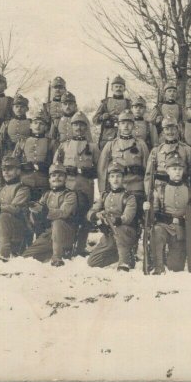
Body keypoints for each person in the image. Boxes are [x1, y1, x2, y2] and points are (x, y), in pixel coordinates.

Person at [55, 111, 100, 256]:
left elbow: (100, 169)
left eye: (82, 125)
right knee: (68, 216)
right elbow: (55, 166)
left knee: (85, 218)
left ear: (86, 127)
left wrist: (89, 173)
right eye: (76, 125)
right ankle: (67, 246)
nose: (79, 128)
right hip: (68, 187)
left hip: (85, 187)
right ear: (71, 127)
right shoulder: (64, 146)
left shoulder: (92, 147)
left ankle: (80, 247)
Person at [98, 109, 149, 232]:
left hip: (136, 187)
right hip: (117, 187)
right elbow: (102, 170)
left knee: (134, 219)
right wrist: (103, 191)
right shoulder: (111, 145)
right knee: (115, 218)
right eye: (123, 123)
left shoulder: (141, 144)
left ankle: (133, 244)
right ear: (118, 125)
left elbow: (147, 170)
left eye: (129, 123)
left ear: (133, 125)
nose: (126, 126)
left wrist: (147, 192)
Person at [146, 154, 191, 273]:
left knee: (176, 267)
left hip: (181, 230)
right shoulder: (160, 190)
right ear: (167, 171)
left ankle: (170, 259)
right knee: (156, 231)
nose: (177, 172)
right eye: (174, 169)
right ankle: (158, 266)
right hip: (165, 227)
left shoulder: (190, 191)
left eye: (180, 169)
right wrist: (148, 208)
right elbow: (154, 215)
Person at [22, 163, 78, 267]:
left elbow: (63, 213)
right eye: (53, 175)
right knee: (27, 256)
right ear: (49, 179)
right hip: (49, 234)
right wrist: (34, 210)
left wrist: (43, 210)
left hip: (65, 234)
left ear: (66, 179)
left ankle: (57, 257)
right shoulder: (47, 195)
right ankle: (51, 252)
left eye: (60, 175)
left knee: (58, 222)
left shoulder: (70, 195)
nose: (57, 178)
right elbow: (39, 211)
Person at [87, 162, 139, 272]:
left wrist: (114, 220)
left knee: (119, 229)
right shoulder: (105, 195)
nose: (115, 180)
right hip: (110, 233)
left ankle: (124, 262)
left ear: (123, 178)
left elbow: (127, 218)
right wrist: (97, 215)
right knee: (92, 262)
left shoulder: (129, 197)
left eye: (118, 176)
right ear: (109, 179)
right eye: (112, 176)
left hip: (126, 232)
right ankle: (124, 254)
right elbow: (91, 212)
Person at [144, 115, 191, 205]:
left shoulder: (186, 150)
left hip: (180, 189)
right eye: (167, 129)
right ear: (163, 131)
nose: (170, 132)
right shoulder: (156, 150)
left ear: (177, 129)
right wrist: (151, 193)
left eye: (172, 128)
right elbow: (149, 175)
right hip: (160, 191)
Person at [93, 75, 132, 150]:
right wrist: (102, 117)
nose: (118, 89)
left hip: (123, 135)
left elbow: (133, 119)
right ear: (112, 88)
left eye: (120, 87)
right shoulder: (106, 102)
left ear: (124, 89)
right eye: (116, 86)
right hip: (107, 136)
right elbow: (95, 119)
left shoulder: (128, 103)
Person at [0, 94, 31, 158]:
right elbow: (0, 141)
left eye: (22, 107)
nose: (19, 109)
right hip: (9, 154)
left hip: (25, 155)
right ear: (13, 108)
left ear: (27, 109)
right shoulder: (6, 123)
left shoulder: (31, 123)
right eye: (16, 106)